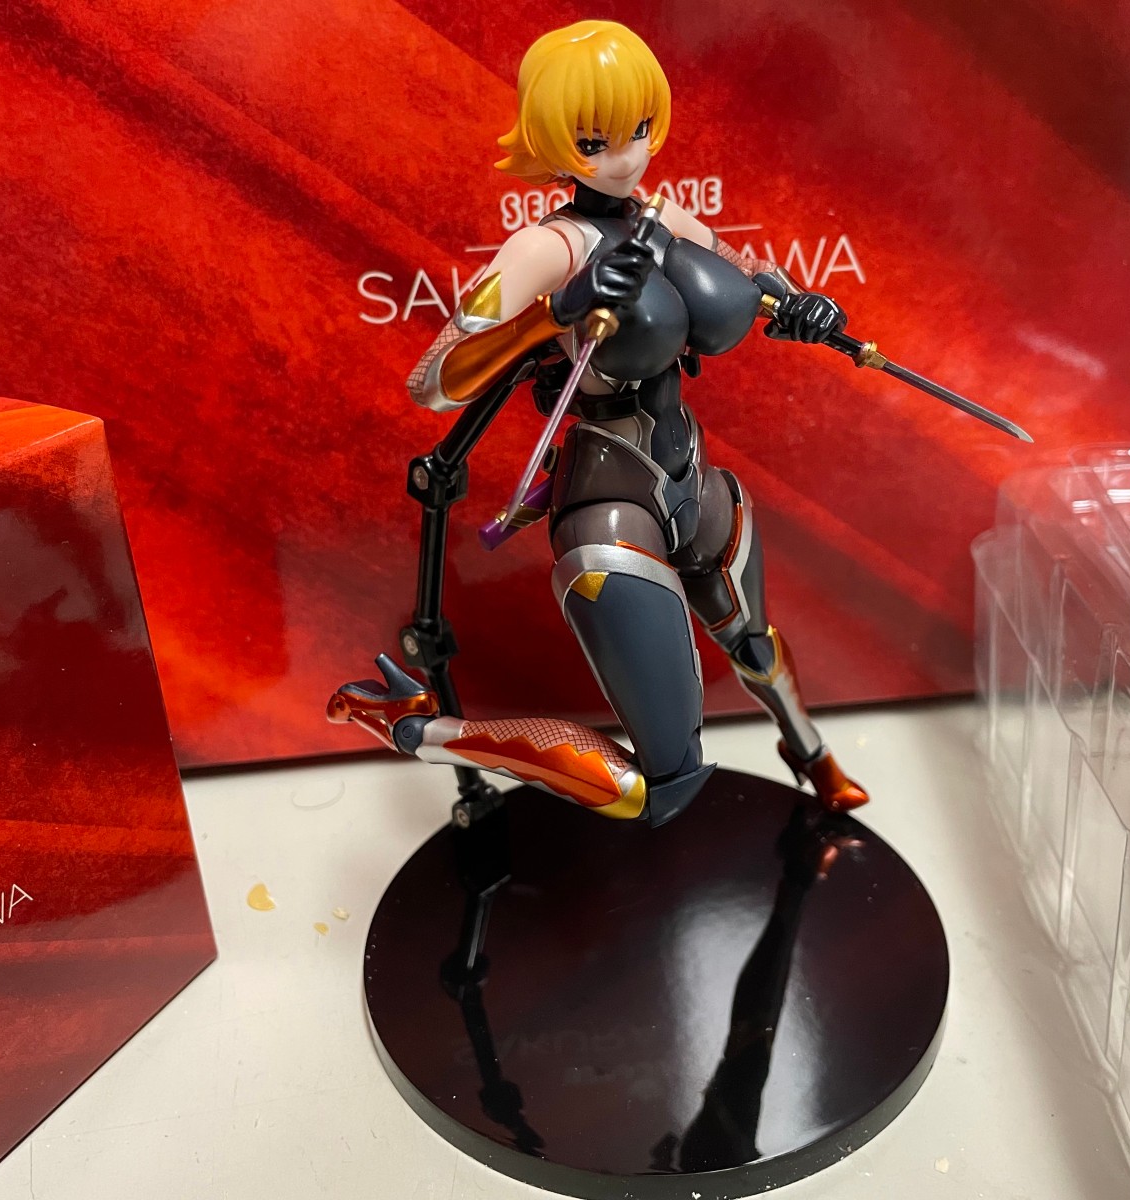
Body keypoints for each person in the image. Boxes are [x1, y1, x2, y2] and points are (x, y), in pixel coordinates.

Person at [328, 19, 867, 826]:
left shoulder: (668, 219)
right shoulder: (544, 249)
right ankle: (414, 727)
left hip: (692, 474)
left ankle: (811, 753)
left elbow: (755, 278)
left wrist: (803, 307)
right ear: (554, 143)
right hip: (610, 496)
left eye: (640, 127)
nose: (626, 155)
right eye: (594, 141)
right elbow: (434, 380)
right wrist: (556, 310)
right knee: (658, 786)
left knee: (755, 642)